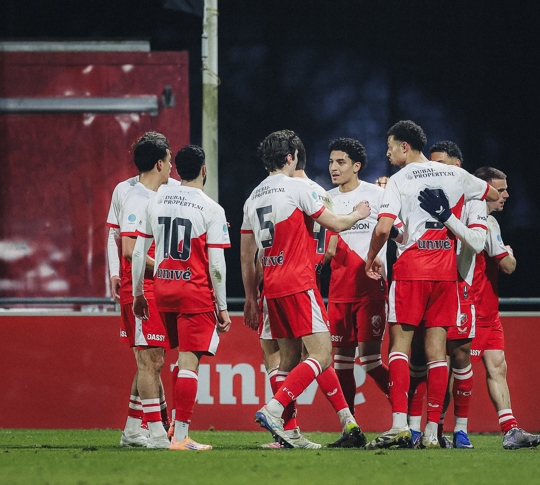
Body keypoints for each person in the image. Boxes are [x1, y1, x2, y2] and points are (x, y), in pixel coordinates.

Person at [364, 121, 498, 449]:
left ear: (405, 146)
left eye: (391, 146)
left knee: (400, 347)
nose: (388, 151)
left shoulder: (399, 179)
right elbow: (492, 193)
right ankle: (431, 432)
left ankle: (398, 425)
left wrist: (370, 257)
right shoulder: (453, 174)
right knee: (438, 352)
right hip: (445, 270)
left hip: (411, 269)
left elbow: (383, 228)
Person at [241, 130, 371, 448]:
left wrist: (249, 298)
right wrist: (358, 214)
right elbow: (335, 226)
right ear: (291, 157)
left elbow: (247, 255)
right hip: (299, 281)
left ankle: (292, 432)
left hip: (270, 285)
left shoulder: (253, 196)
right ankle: (274, 410)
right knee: (322, 354)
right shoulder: (300, 187)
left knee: (286, 363)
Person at [131, 144, 231, 450]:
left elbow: (138, 252)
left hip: (162, 291)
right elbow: (216, 264)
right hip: (194, 290)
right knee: (190, 361)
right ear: (203, 170)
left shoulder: (156, 201)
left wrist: (138, 293)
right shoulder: (211, 208)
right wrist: (223, 307)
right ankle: (182, 435)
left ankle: (175, 424)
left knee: (179, 360)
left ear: (176, 171)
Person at [405, 141, 488, 449]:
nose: (437, 172)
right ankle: (419, 428)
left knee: (460, 357)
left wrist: (446, 216)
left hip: (458, 285)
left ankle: (460, 429)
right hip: (424, 282)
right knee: (419, 356)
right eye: (433, 165)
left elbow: (477, 242)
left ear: (459, 166)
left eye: (445, 165)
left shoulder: (472, 197)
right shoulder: (420, 192)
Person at [325, 138, 400, 433]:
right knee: (341, 362)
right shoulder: (325, 198)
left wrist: (380, 256)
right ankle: (351, 427)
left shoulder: (378, 194)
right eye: (331, 161)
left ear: (356, 166)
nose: (334, 167)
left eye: (340, 162)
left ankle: (406, 417)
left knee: (370, 361)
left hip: (370, 287)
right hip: (338, 289)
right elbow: (326, 247)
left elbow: (397, 233)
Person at [471, 166, 540, 450]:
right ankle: (434, 429)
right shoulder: (483, 222)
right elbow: (508, 266)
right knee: (458, 372)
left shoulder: (489, 222)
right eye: (500, 189)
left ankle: (510, 430)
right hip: (473, 309)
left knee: (497, 368)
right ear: (485, 190)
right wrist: (510, 253)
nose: (506, 194)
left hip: (488, 310)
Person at [112, 133, 176, 448]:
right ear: (159, 162)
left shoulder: (170, 190)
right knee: (149, 359)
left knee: (152, 359)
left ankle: (132, 430)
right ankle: (157, 433)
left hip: (158, 286)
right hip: (140, 286)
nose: (172, 167)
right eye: (169, 160)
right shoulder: (133, 196)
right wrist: (168, 268)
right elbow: (127, 247)